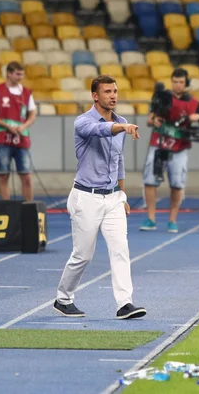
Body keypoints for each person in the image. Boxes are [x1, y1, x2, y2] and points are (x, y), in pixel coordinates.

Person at [54, 75, 147, 320]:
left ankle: (124, 303)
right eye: (107, 92)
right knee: (83, 254)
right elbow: (100, 130)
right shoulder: (82, 122)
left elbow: (119, 161)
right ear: (95, 96)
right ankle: (63, 298)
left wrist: (122, 194)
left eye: (115, 91)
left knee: (120, 249)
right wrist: (122, 128)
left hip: (113, 198)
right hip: (86, 197)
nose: (113, 95)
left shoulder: (122, 122)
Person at [139, 68, 199, 233]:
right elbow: (150, 120)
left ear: (186, 84)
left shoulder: (193, 102)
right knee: (150, 180)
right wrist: (154, 120)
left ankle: (172, 220)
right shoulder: (162, 98)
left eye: (181, 82)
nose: (177, 85)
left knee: (177, 184)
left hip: (180, 146)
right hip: (159, 143)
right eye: (175, 82)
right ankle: (151, 218)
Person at [0, 61, 36, 201]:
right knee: (3, 175)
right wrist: (7, 126)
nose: (20, 77)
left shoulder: (26, 93)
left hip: (21, 138)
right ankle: (6, 209)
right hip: (2, 138)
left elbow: (32, 113)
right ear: (9, 73)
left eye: (22, 74)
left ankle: (29, 208)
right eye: (17, 74)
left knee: (26, 175)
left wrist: (24, 126)